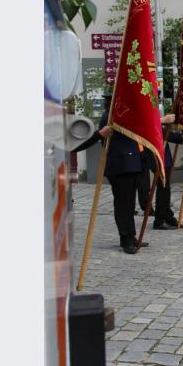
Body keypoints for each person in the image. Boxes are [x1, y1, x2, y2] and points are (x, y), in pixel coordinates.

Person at [72, 97, 149, 254]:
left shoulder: (124, 115)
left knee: (129, 204)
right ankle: (126, 238)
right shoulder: (111, 117)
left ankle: (130, 236)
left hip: (131, 165)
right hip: (120, 167)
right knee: (123, 205)